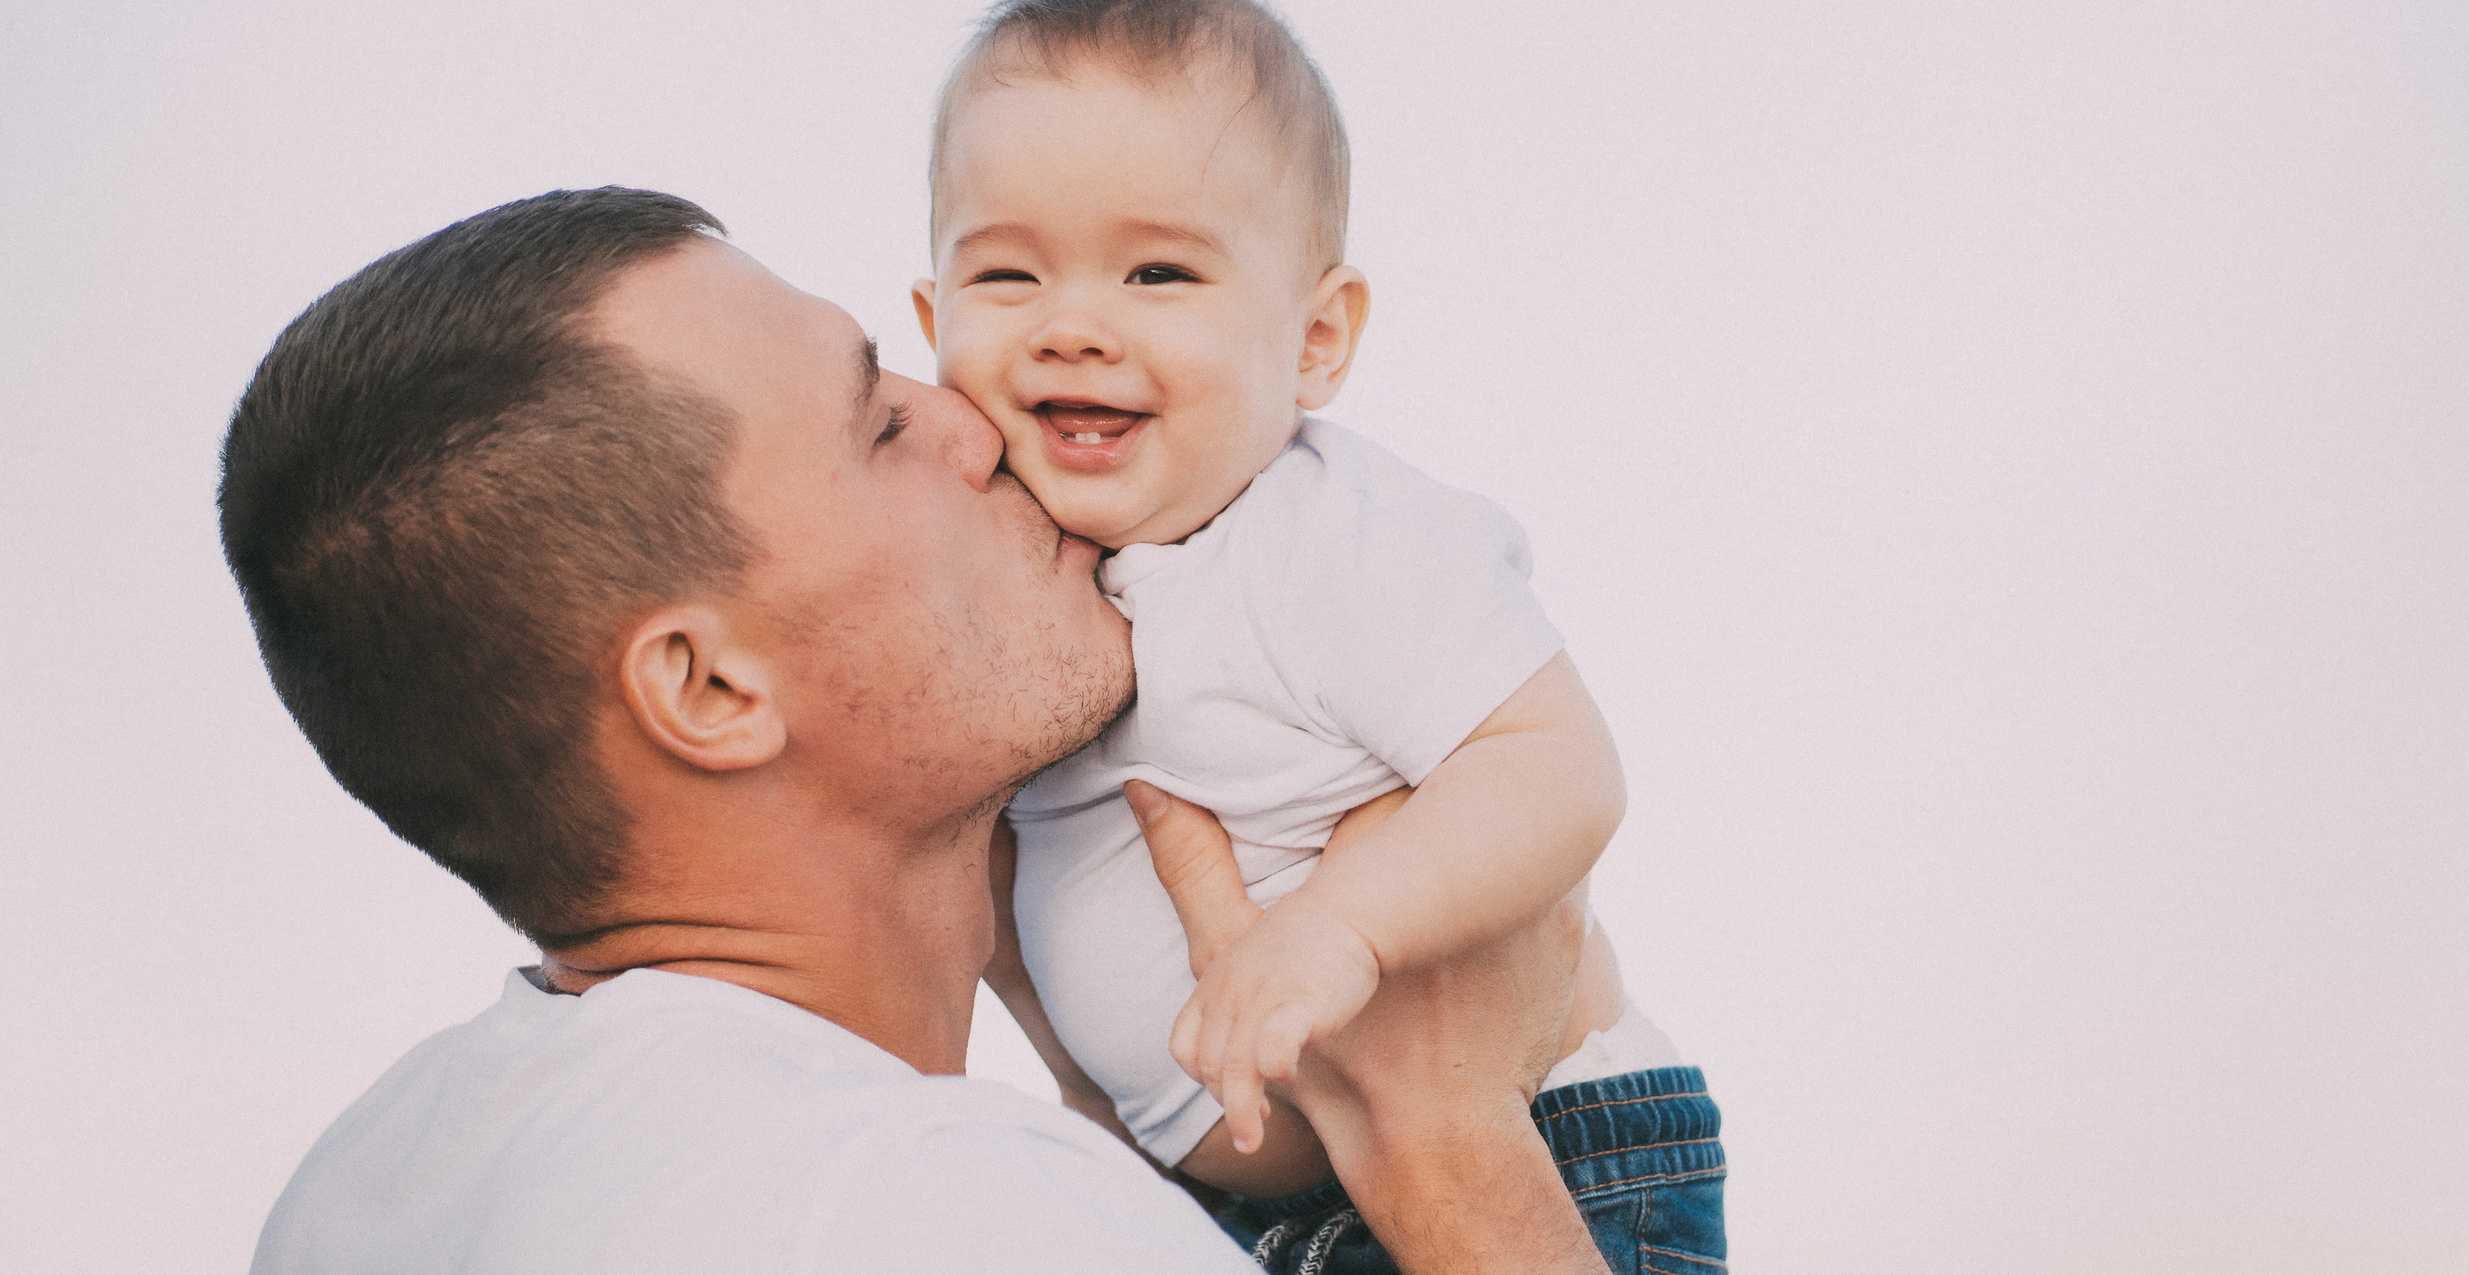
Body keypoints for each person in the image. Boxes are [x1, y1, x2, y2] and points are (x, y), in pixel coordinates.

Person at [217, 188, 1609, 1273]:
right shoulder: (934, 1212)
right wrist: (1444, 1140)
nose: (979, 426)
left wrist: (1091, 1074)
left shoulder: (359, 1190)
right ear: (709, 691)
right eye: (879, 423)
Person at [913, 0, 1725, 1269]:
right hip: (1250, 1208)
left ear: (1315, 339)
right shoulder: (1019, 590)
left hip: (1549, 1154)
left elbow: (1559, 766)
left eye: (1158, 271)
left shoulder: (1331, 537)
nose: (1073, 325)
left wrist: (1342, 929)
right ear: (930, 318)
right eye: (1008, 274)